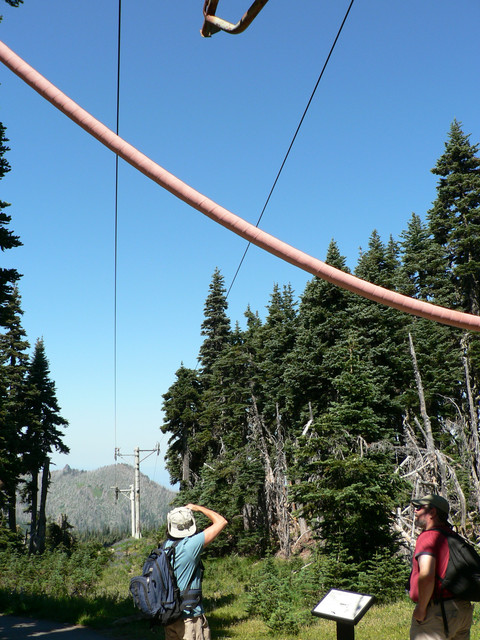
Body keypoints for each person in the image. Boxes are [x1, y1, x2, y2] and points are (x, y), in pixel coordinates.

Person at [409, 493, 474, 640]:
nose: (415, 511)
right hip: (462, 610)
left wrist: (421, 608)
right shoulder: (451, 536)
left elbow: (427, 575)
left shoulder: (428, 537)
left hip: (437, 614)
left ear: (432, 512)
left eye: (419, 507)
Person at [164, 503, 227, 640]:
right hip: (190, 616)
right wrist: (198, 508)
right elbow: (221, 521)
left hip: (170, 616)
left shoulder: (166, 546)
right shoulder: (191, 545)